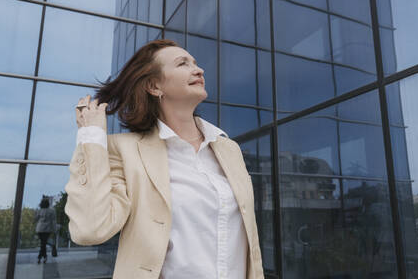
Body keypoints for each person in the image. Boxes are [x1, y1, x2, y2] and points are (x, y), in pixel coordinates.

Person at [64, 39, 264, 278]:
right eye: (182, 64)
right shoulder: (124, 151)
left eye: (195, 63)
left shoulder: (228, 148)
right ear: (154, 86)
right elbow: (90, 229)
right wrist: (92, 138)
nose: (198, 69)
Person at [34, 195, 56, 264]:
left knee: (42, 243)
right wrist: (54, 229)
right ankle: (43, 257)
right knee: (43, 243)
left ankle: (41, 257)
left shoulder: (39, 211)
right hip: (47, 229)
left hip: (40, 229)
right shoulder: (52, 211)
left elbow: (35, 219)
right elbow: (53, 221)